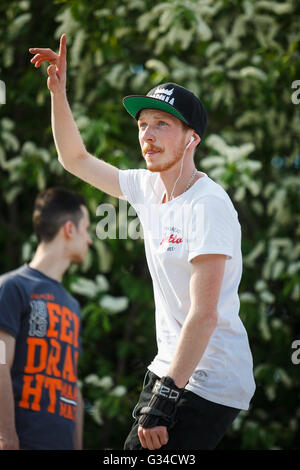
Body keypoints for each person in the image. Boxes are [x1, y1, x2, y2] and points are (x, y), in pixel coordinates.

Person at [29, 34, 256, 450]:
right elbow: (74, 159)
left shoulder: (209, 205)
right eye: (142, 124)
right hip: (170, 367)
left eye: (162, 124)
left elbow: (204, 315)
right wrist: (58, 92)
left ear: (192, 138)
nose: (147, 135)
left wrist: (166, 397)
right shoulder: (148, 187)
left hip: (210, 378)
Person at [0, 187, 92, 450]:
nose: (89, 240)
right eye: (85, 229)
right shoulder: (12, 287)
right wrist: (6, 438)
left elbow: (73, 386)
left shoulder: (72, 305)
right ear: (69, 229)